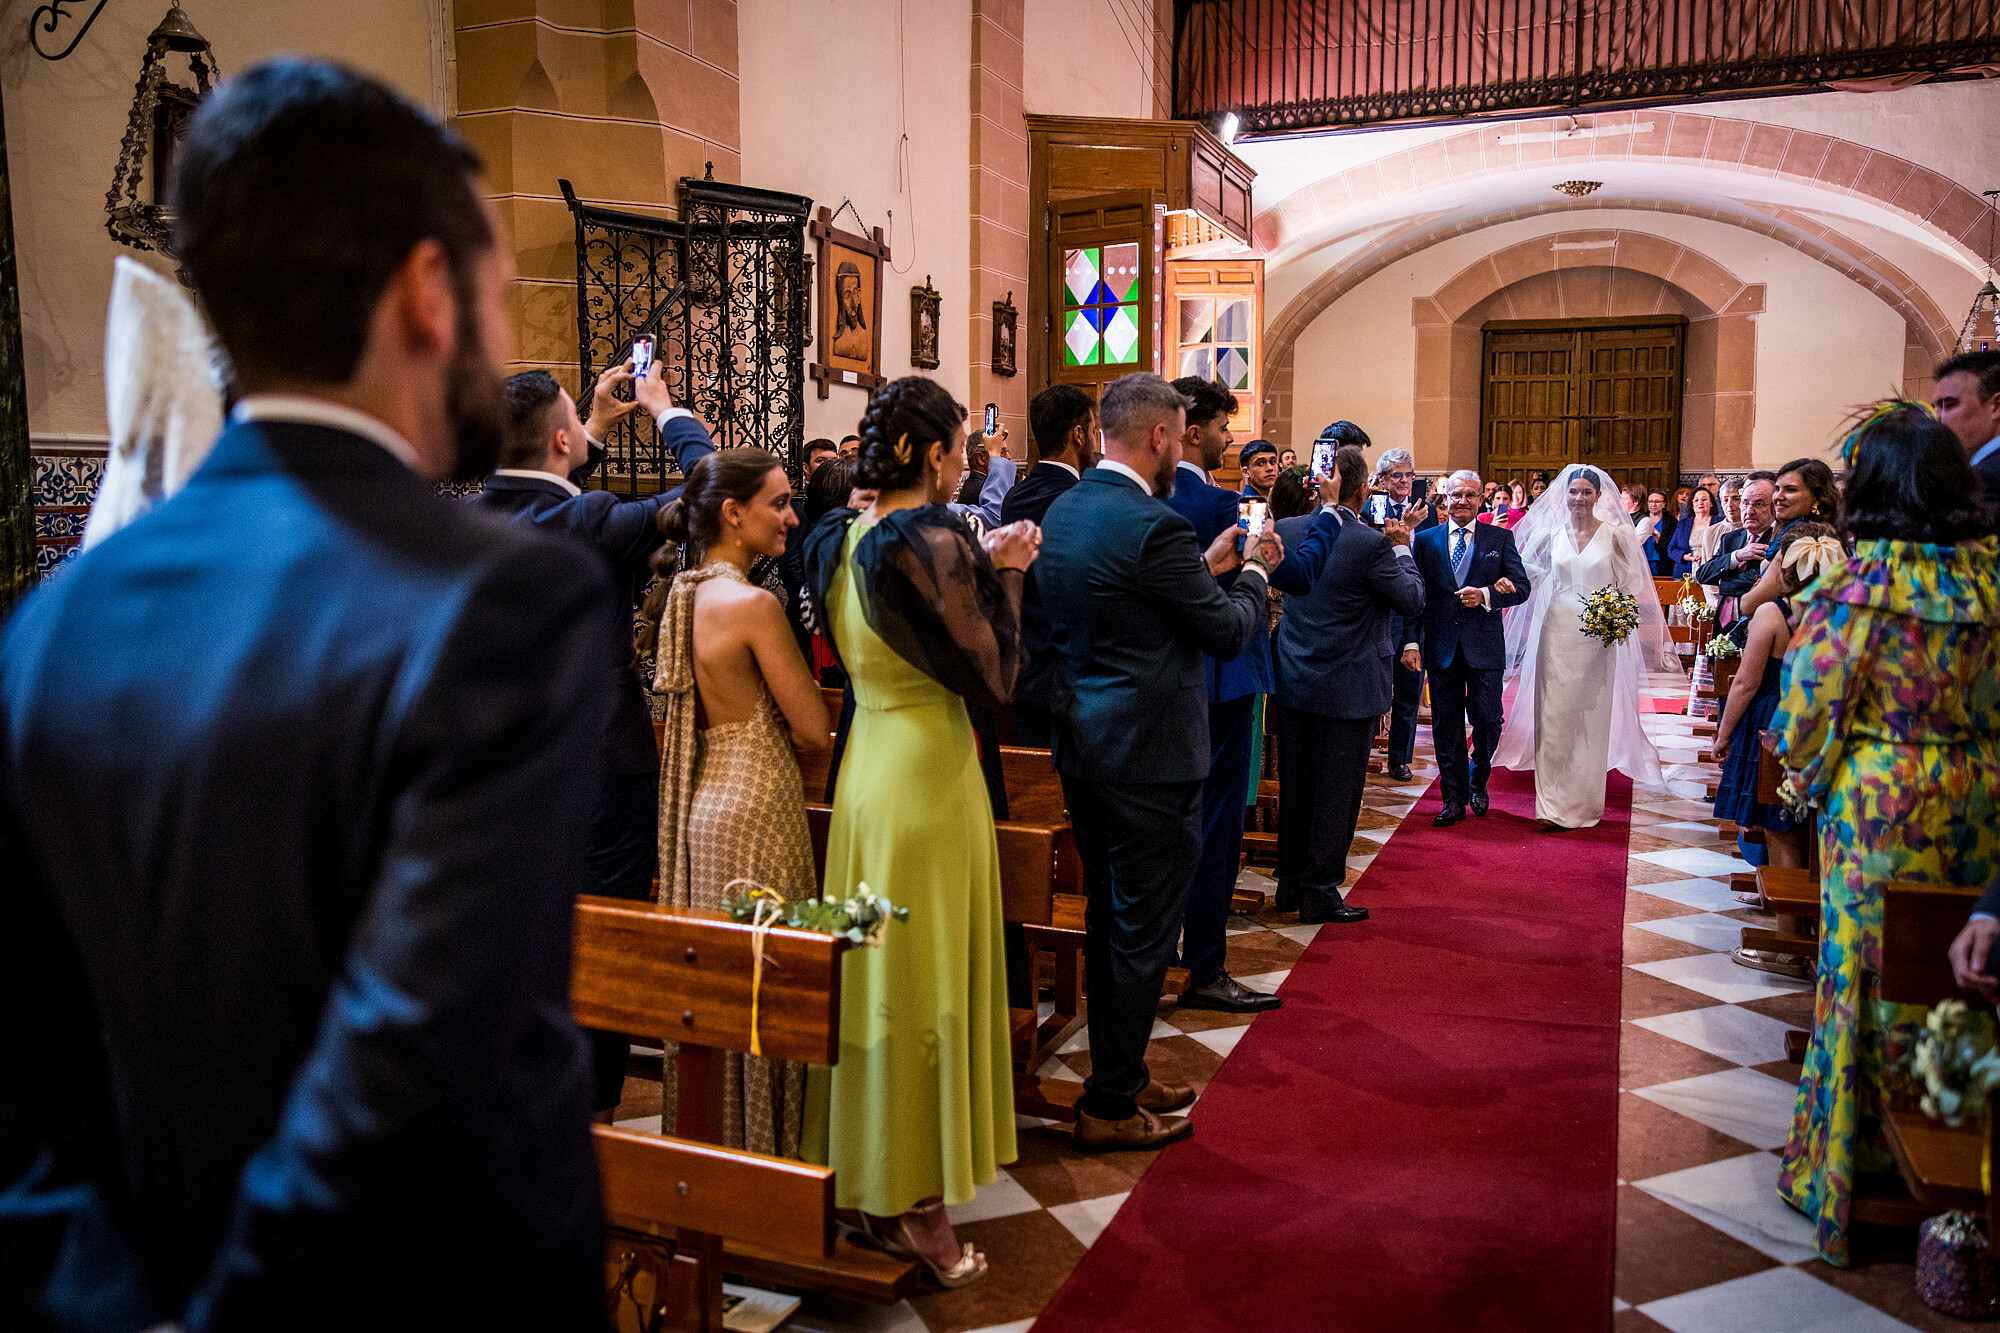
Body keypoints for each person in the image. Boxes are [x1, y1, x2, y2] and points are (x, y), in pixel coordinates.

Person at [0, 60, 611, 1327]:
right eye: (495, 294)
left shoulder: (58, 618)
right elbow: (410, 1062)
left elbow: (30, 1071)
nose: (497, 345)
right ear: (428, 294)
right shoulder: (503, 602)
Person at [797, 376, 1039, 1287]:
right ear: (936, 455)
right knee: (921, 980)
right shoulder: (928, 539)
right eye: (960, 452)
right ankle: (918, 1209)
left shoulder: (837, 536)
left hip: (870, 769)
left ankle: (869, 1173)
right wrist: (1010, 566)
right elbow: (995, 674)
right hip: (931, 775)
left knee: (877, 975)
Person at [1775, 401, 1998, 1269]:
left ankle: (1850, 1172)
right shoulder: (1992, 582)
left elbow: (1806, 719)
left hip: (1882, 805)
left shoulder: (1857, 589)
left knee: (1868, 979)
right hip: (1984, 800)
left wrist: (1824, 780)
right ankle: (1968, 1175)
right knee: (1961, 980)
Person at [1037, 372, 1281, 1152]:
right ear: (1158, 438)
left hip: (1087, 747)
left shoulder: (1068, 508)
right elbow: (1225, 632)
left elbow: (1129, 605)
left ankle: (1125, 1071)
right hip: (1151, 759)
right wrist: (1252, 575)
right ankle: (1109, 1102)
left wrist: (1202, 570)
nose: (1183, 447)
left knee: (1116, 920)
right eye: (1179, 434)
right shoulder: (1154, 524)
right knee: (1143, 931)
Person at [479, 365, 716, 1119]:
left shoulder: (476, 517)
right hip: (602, 764)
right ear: (558, 439)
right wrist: (666, 410)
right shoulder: (594, 520)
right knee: (604, 941)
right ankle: (592, 1113)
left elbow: (552, 481)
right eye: (572, 426)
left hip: (506, 764)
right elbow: (714, 485)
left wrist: (594, 428)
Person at [648, 452, 831, 1156]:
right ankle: (771, 1157)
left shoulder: (683, 594)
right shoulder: (754, 605)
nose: (791, 516)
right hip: (758, 799)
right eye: (779, 503)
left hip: (703, 806)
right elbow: (813, 726)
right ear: (733, 513)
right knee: (768, 987)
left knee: (720, 992)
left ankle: (716, 1150)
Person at [1267, 445, 1424, 922]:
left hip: (1294, 679)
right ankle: (1320, 891)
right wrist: (1402, 546)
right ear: (1363, 489)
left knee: (1297, 785)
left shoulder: (1288, 530)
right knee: (1337, 792)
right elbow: (1412, 600)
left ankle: (1290, 884)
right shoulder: (1370, 544)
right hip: (1349, 685)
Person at [1163, 376, 1279, 1013]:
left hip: (1161, 686)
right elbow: (1242, 601)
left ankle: (1159, 960)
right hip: (1225, 682)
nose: (1229, 438)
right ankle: (1204, 964)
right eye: (1222, 426)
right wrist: (1261, 568)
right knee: (1216, 826)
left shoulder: (1144, 501)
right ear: (1192, 428)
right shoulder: (1226, 510)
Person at [1492, 466, 1669, 830]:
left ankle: (1585, 804)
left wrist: (1615, 611)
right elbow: (1529, 576)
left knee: (1589, 719)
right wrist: (1503, 584)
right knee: (1553, 717)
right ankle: (1552, 806)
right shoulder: (1548, 536)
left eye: (1587, 492)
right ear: (1565, 495)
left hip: (1597, 636)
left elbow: (1632, 582)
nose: (1580, 499)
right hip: (1556, 631)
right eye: (1574, 492)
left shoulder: (1616, 536)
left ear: (1599, 496)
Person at [1711, 522, 1843, 978]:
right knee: (1808, 828)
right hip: (1821, 725)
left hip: (1773, 722)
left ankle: (1786, 942)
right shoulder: (1840, 613)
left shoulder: (1774, 613)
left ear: (1786, 572)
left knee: (1779, 827)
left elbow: (1746, 681)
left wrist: (1724, 733)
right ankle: (1806, 922)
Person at [1413, 471, 1532, 826]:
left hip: (1484, 647)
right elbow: (1416, 596)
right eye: (1455, 495)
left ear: (1481, 499)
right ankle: (1453, 798)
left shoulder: (1501, 538)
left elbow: (1522, 587)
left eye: (1469, 495)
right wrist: (1410, 641)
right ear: (1444, 499)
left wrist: (1487, 595)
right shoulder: (1426, 540)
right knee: (1445, 725)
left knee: (1488, 720)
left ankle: (1478, 777)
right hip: (1442, 646)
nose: (1462, 501)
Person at [1001, 384, 1095, 748]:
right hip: (1074, 678)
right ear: (1078, 434)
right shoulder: (1081, 498)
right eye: (1092, 430)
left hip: (1027, 670)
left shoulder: (1016, 496)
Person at [1363, 445, 1432, 781]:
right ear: (1382, 479)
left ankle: (1399, 758)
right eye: (1396, 475)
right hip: (1381, 607)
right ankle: (1362, 753)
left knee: (1409, 688)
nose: (1404, 481)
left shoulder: (1429, 513)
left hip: (1416, 607)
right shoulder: (1372, 511)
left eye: (1408, 475)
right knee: (1371, 688)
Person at [1930, 349, 2000, 532]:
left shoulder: (1986, 480)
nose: (1939, 419)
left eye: (1950, 405)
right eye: (1936, 408)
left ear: (1996, 406)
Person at [1695, 471, 1778, 622]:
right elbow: (1702, 575)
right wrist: (1736, 556)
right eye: (1745, 503)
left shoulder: (1778, 539)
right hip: (1724, 623)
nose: (1749, 511)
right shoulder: (1731, 538)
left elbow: (1760, 583)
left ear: (1774, 506)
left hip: (1758, 621)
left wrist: (1723, 580)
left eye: (1758, 504)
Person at [1666, 485, 1719, 578]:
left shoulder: (1719, 523)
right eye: (1696, 500)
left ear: (1711, 503)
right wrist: (1686, 556)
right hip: (1684, 573)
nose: (1700, 503)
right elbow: (1671, 549)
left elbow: (1725, 548)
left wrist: (1708, 556)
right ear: (1692, 504)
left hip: (1712, 572)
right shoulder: (1683, 524)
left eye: (1704, 499)